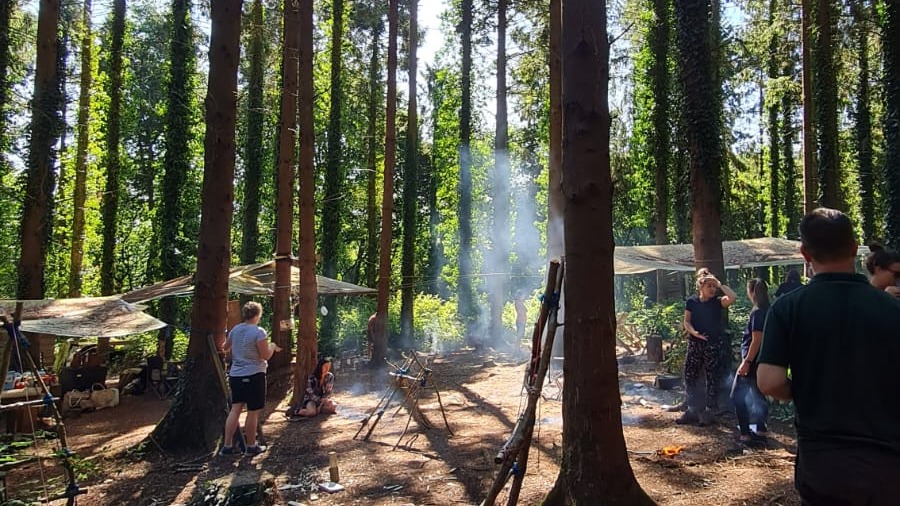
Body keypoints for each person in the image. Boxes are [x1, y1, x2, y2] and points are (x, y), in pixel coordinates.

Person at [757, 208, 900, 504]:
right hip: (888, 461)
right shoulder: (891, 308)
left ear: (805, 253)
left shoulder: (787, 308)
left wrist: (807, 391)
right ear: (853, 247)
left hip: (823, 462)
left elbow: (769, 382)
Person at [220, 301, 281, 456]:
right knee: (252, 411)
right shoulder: (258, 332)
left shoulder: (235, 330)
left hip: (236, 375)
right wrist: (272, 346)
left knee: (235, 409)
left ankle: (227, 446)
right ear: (257, 315)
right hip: (254, 374)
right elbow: (265, 355)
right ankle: (251, 446)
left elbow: (224, 347)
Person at [677, 268, 736, 426]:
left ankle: (709, 411)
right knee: (690, 375)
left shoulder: (717, 302)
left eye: (713, 286)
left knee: (712, 378)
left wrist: (720, 284)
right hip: (695, 343)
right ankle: (692, 409)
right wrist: (694, 333)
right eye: (709, 286)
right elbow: (687, 321)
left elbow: (732, 297)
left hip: (712, 344)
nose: (712, 289)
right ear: (700, 287)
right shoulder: (692, 302)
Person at [729, 278, 770, 447]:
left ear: (752, 292)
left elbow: (756, 339)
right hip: (763, 360)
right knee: (759, 396)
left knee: (737, 396)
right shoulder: (770, 309)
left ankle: (745, 433)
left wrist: (746, 362)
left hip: (753, 362)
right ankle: (760, 429)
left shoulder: (758, 312)